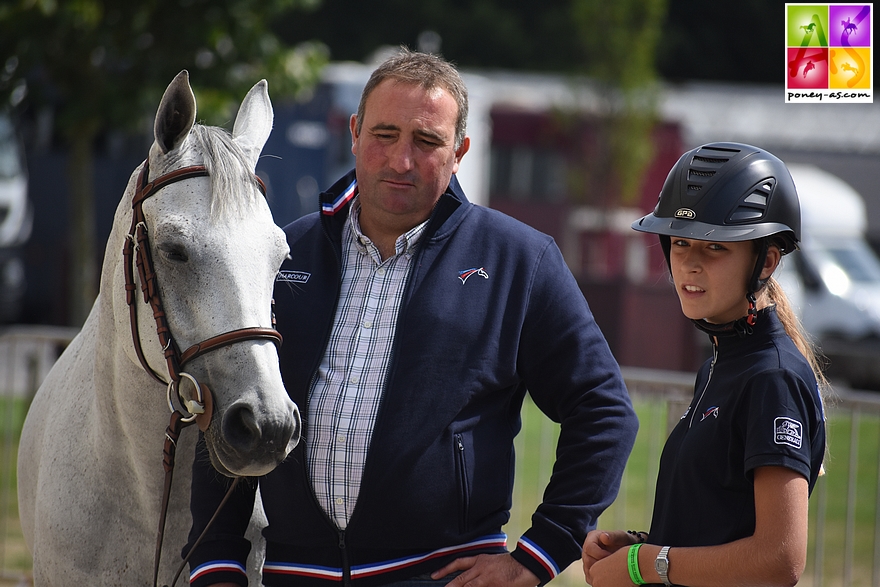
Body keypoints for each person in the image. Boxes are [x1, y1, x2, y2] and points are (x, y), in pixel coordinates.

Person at [185, 48, 639, 587]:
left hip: (441, 576)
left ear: (459, 150)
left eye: (426, 141)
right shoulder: (285, 252)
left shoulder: (519, 259)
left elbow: (604, 411)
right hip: (292, 574)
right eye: (384, 134)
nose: (401, 160)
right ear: (354, 133)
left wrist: (538, 554)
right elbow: (232, 409)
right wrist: (215, 563)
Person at [582, 142, 827, 587]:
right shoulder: (721, 363)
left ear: (766, 261)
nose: (690, 264)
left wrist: (646, 564)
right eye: (680, 243)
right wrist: (638, 545)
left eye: (716, 248)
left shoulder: (772, 377)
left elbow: (780, 559)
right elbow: (720, 520)